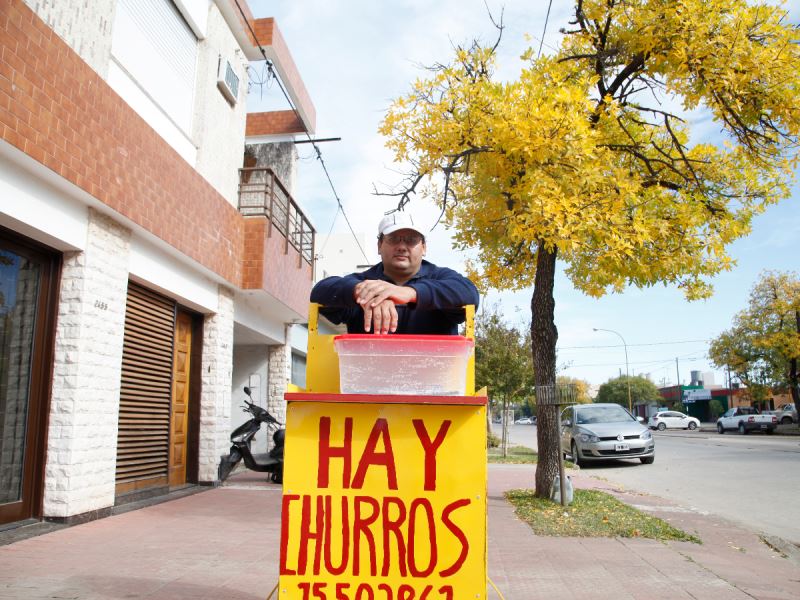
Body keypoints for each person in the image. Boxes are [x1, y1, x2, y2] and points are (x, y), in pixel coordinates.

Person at [311, 212, 479, 335]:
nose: (401, 246)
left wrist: (409, 293)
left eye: (411, 239)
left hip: (435, 380)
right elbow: (319, 292)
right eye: (393, 238)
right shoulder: (365, 281)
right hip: (369, 381)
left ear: (424, 247)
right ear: (379, 245)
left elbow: (469, 293)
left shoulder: (441, 278)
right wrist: (365, 293)